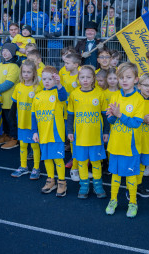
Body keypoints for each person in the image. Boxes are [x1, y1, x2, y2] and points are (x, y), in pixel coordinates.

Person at [105, 62, 144, 218]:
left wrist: (120, 115)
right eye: (121, 77)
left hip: (131, 147)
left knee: (130, 176)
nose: (124, 80)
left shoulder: (139, 99)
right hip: (115, 145)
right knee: (115, 175)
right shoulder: (115, 96)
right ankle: (113, 200)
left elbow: (135, 123)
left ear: (136, 79)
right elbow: (111, 120)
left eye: (128, 77)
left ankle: (133, 202)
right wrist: (112, 116)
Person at [67, 65, 109, 199]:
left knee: (96, 162)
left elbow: (104, 115)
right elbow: (70, 115)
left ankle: (98, 185)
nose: (85, 80)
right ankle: (84, 185)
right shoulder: (74, 94)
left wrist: (106, 131)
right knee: (82, 162)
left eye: (88, 77)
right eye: (82, 77)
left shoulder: (99, 94)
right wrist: (70, 131)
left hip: (96, 136)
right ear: (78, 78)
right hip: (79, 137)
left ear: (93, 79)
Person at [32, 66, 68, 197]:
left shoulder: (58, 93)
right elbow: (33, 116)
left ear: (56, 79)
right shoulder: (38, 96)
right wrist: (35, 132)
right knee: (47, 158)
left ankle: (62, 182)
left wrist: (59, 84)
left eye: (50, 79)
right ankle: (50, 180)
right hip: (42, 134)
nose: (47, 81)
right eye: (44, 79)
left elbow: (64, 97)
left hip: (56, 134)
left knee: (58, 159)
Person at [10, 60, 42, 179]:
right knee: (23, 145)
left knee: (34, 146)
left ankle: (36, 168)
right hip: (22, 123)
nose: (26, 74)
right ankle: (23, 167)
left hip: (33, 124)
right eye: (24, 72)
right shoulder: (18, 86)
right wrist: (13, 118)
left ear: (34, 73)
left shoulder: (37, 88)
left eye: (29, 72)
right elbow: (14, 104)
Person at [0, 43, 20, 150]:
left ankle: (14, 138)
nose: (5, 53)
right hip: (0, 99)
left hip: (10, 99)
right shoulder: (0, 65)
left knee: (11, 119)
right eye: (3, 51)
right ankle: (7, 134)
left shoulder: (14, 67)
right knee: (4, 118)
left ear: (12, 53)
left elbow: (9, 83)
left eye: (7, 51)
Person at [134, 73, 149, 198]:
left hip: (147, 137)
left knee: (143, 162)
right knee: (134, 162)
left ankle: (139, 184)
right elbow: (127, 118)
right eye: (146, 85)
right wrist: (142, 119)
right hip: (135, 137)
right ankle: (131, 186)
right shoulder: (134, 100)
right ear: (139, 86)